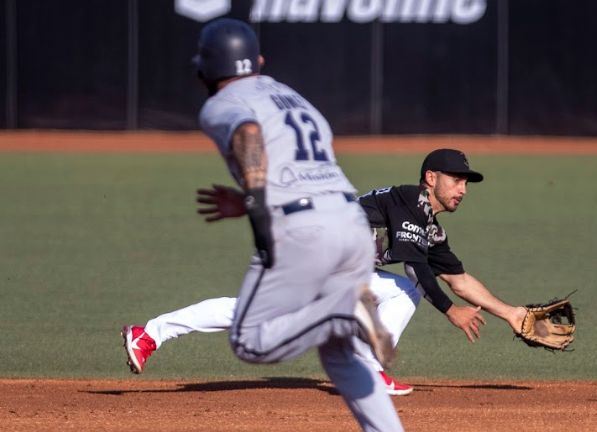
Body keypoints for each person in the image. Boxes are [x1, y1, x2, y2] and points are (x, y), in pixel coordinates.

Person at [122, 17, 424, 432]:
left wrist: (258, 208)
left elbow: (247, 134)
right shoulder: (290, 95)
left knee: (250, 340)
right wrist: (250, 198)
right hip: (350, 220)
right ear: (258, 61)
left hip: (300, 227)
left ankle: (343, 315)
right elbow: (304, 159)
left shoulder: (224, 102)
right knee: (343, 357)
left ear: (205, 69)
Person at [123, 149, 528, 395]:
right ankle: (368, 368)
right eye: (457, 180)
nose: (463, 188)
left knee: (249, 313)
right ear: (431, 178)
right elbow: (416, 266)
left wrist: (509, 312)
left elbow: (458, 278)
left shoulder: (430, 227)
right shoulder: (410, 200)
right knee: (409, 287)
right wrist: (451, 311)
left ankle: (150, 334)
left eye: (467, 182)